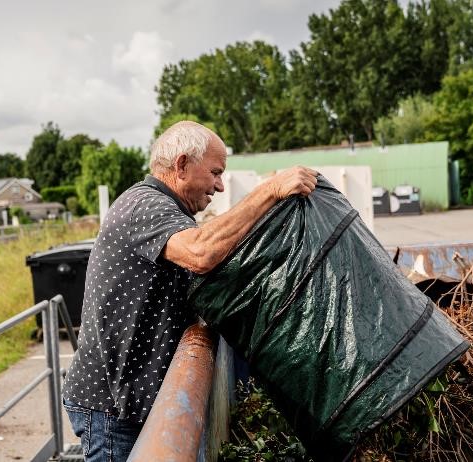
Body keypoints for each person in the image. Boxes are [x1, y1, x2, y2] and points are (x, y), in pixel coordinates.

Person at [61, 120, 317, 461]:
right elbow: (201, 252)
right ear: (182, 165)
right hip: (111, 410)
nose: (220, 186)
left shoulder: (169, 210)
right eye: (215, 172)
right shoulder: (144, 205)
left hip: (133, 402)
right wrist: (270, 190)